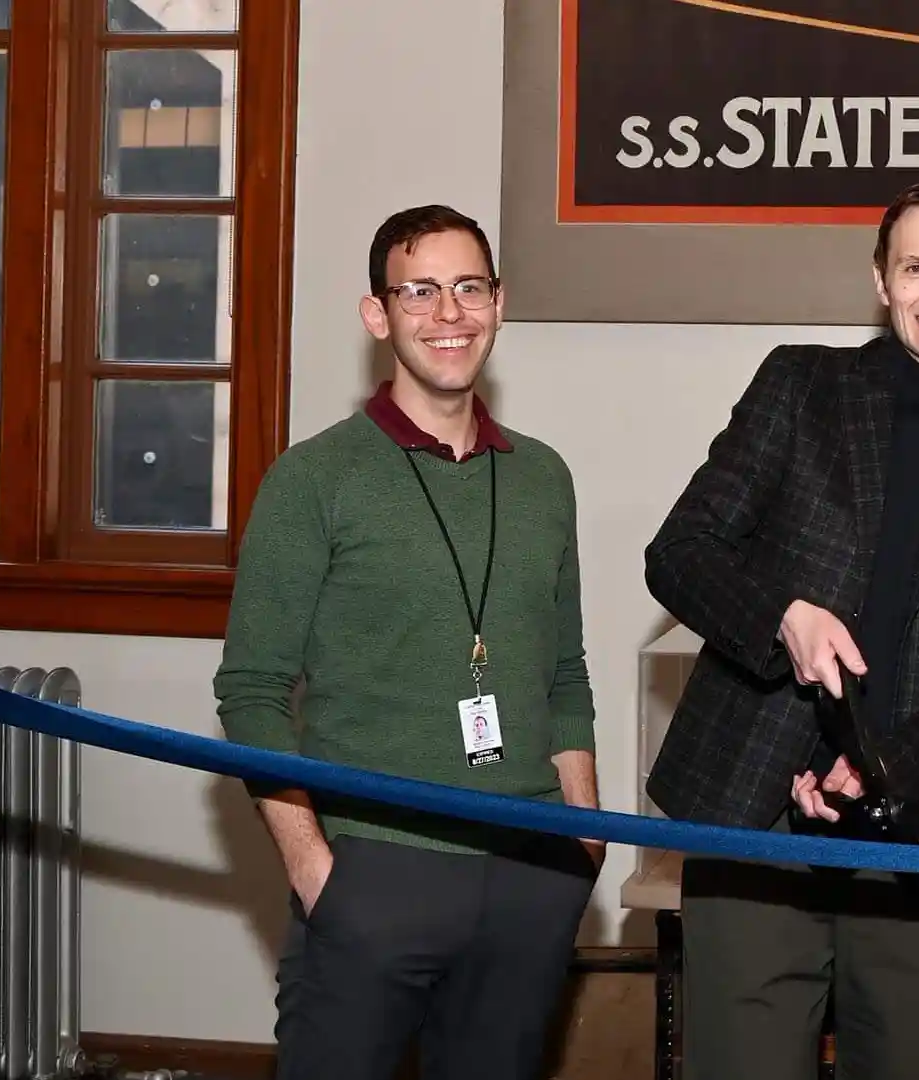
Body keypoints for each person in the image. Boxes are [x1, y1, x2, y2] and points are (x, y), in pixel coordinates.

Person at [642, 178, 919, 1080]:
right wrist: (782, 618)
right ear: (881, 280)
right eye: (918, 267)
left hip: (914, 831)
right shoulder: (801, 384)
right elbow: (680, 553)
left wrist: (885, 767)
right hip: (755, 816)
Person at [213, 204, 603, 1080]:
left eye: (469, 287)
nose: (448, 313)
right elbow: (251, 690)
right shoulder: (315, 478)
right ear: (377, 315)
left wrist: (582, 835)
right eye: (419, 291)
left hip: (529, 868)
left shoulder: (542, 476)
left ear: (500, 303)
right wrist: (320, 876)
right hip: (373, 868)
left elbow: (565, 672)